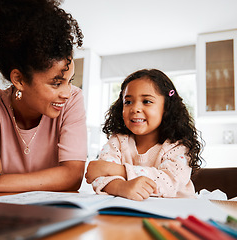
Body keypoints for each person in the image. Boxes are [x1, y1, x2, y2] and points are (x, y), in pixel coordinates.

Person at [0, 0, 87, 193]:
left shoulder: (73, 100)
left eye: (69, 81)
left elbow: (72, 176)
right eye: (56, 83)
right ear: (19, 80)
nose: (66, 93)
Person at [85, 69, 203, 200]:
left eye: (146, 101)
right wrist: (121, 187)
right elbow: (98, 175)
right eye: (128, 102)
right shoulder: (117, 141)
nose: (135, 108)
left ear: (167, 107)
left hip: (175, 214)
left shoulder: (178, 146)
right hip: (130, 213)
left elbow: (168, 183)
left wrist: (119, 170)